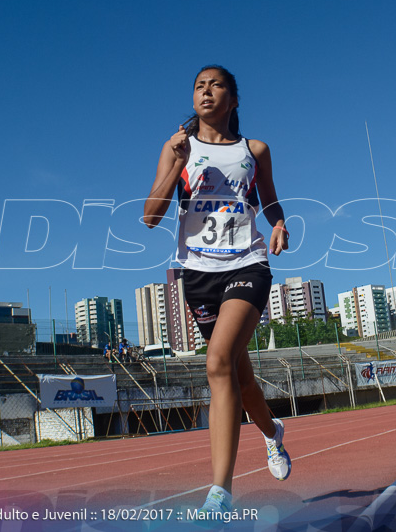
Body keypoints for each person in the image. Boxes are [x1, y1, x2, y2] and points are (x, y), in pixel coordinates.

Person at [143, 65, 292, 517]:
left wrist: (280, 222)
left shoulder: (255, 150)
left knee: (217, 362)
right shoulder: (175, 148)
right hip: (198, 275)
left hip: (247, 264)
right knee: (239, 379)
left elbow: (269, 200)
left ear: (234, 99)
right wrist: (177, 160)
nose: (206, 91)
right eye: (199, 86)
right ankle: (272, 433)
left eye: (216, 85)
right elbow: (151, 215)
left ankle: (219, 495)